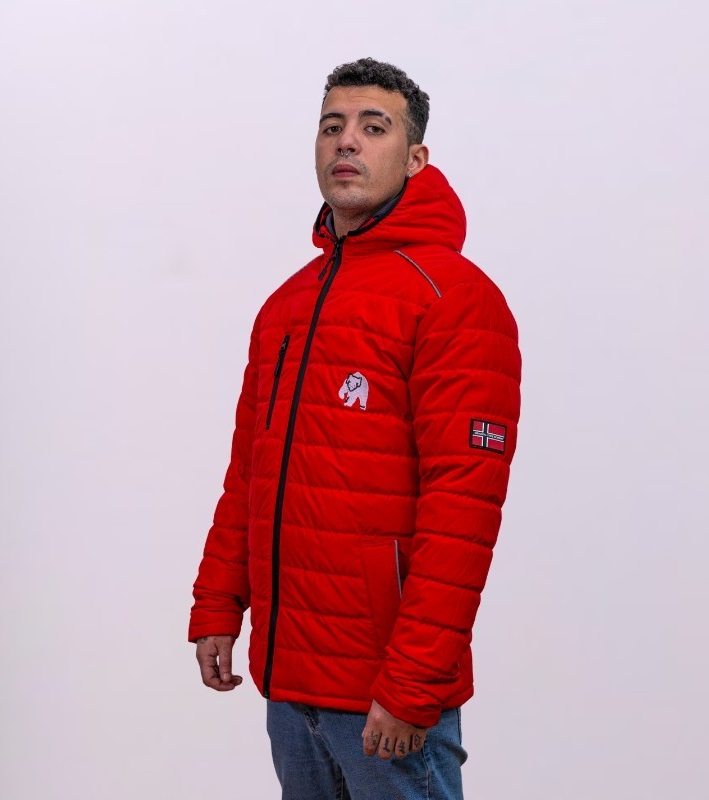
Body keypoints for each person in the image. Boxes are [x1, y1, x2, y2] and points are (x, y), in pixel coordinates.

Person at [189, 57, 521, 800]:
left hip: (384, 695)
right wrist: (218, 601)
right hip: (288, 685)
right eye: (331, 126)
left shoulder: (455, 299)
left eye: (374, 127)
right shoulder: (286, 306)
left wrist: (413, 683)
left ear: (416, 157)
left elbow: (463, 514)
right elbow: (249, 472)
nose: (347, 141)